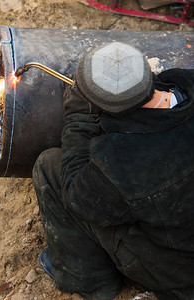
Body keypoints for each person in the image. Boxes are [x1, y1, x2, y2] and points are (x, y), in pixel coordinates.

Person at [32, 41, 194, 300]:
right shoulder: (185, 81)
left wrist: (79, 118)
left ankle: (87, 281)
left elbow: (76, 198)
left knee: (50, 167)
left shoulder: (121, 160)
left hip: (181, 276)